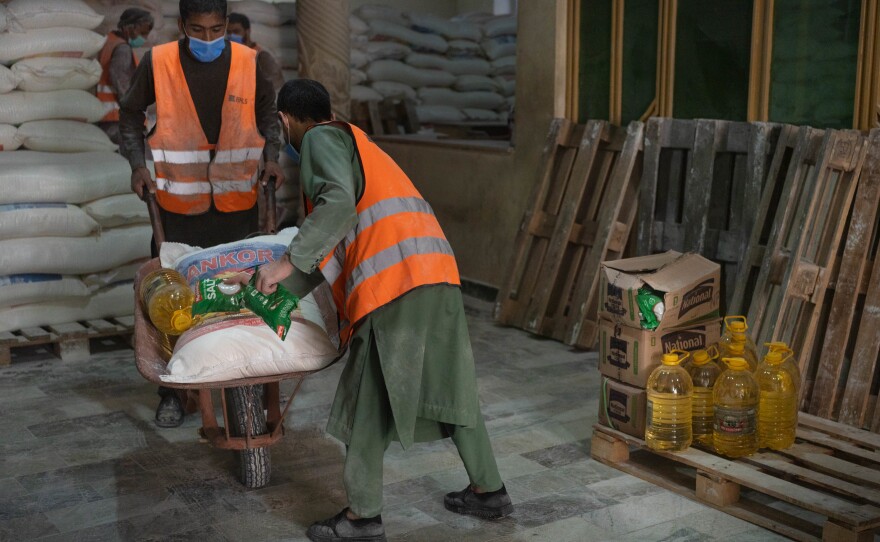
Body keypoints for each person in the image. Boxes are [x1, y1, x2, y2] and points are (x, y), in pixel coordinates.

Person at [249, 79, 513, 542]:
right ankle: (489, 491)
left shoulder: (319, 138)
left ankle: (362, 518)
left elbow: (338, 207)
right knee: (454, 387)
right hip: (436, 273)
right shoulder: (359, 141)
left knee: (365, 403)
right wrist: (285, 289)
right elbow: (335, 240)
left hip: (395, 286)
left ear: (286, 121)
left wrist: (283, 260)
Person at [119, 0, 284, 428]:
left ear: (227, 25)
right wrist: (138, 164)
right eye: (198, 30)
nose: (207, 39)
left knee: (237, 294)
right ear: (182, 26)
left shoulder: (251, 62)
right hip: (177, 207)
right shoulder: (160, 61)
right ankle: (173, 389)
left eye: (215, 30)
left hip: (237, 206)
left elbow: (269, 114)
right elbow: (130, 113)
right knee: (171, 297)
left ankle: (236, 376)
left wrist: (274, 155)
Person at [96, 8, 154, 144]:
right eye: (142, 33)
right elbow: (120, 79)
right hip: (117, 120)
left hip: (105, 118)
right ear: (129, 28)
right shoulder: (123, 49)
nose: (144, 38)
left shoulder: (109, 41)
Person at [227, 12, 285, 93]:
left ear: (247, 32)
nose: (232, 36)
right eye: (229, 32)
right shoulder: (228, 55)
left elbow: (274, 86)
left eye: (236, 31)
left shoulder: (261, 56)